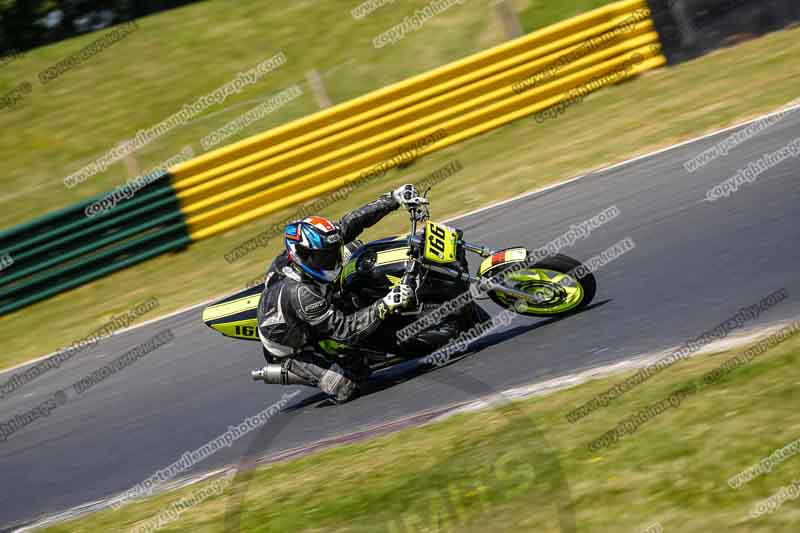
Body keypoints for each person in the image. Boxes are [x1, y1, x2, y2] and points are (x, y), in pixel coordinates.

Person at [255, 184, 423, 402]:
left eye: (330, 254)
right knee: (346, 386)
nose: (330, 260)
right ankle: (289, 368)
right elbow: (344, 330)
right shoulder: (301, 292)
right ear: (301, 255)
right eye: (323, 258)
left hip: (312, 304)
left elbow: (352, 222)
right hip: (294, 345)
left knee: (355, 250)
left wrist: (393, 199)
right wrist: (386, 304)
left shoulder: (314, 247)